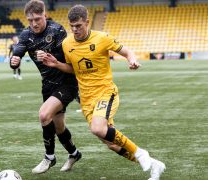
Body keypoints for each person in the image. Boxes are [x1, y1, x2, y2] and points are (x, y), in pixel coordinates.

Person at [40, 4, 166, 180]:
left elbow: (126, 51)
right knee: (111, 143)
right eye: (72, 27)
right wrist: (56, 64)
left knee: (98, 128)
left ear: (87, 22)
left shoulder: (103, 38)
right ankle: (154, 165)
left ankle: (141, 153)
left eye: (79, 26)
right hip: (86, 98)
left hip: (105, 92)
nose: (75, 30)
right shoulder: (67, 44)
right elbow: (74, 68)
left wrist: (132, 60)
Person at [10, 0, 82, 174]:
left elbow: (69, 60)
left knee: (44, 115)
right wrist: (13, 61)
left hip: (67, 82)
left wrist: (50, 57)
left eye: (37, 19)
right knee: (58, 127)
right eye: (30, 20)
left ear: (45, 15)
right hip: (48, 86)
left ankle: (49, 157)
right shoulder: (26, 35)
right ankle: (74, 153)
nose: (34, 23)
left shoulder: (57, 30)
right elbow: (17, 53)